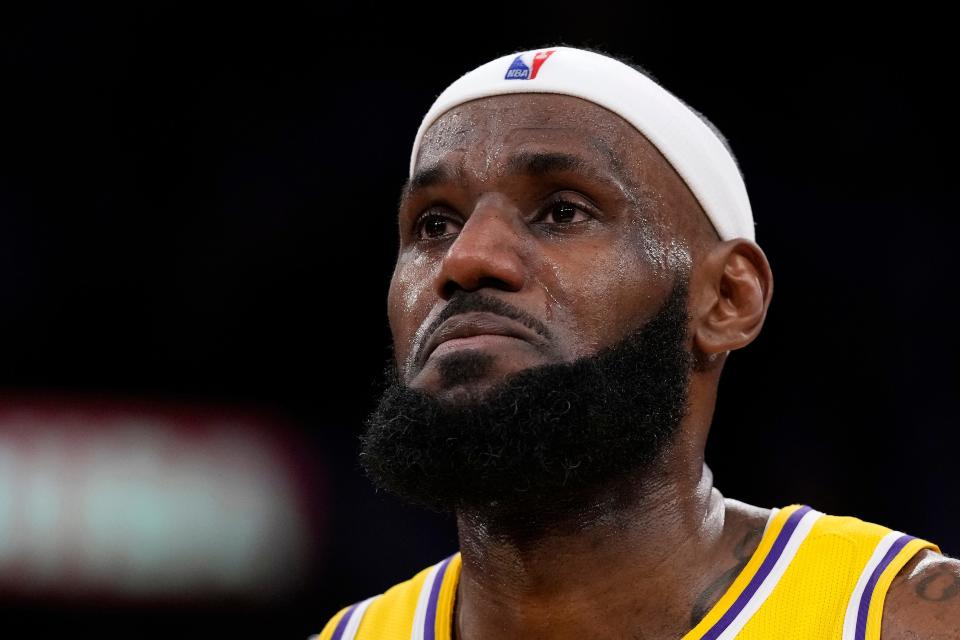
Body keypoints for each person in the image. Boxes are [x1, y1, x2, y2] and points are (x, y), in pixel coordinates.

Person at [315, 46, 958, 640]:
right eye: (434, 223)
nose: (468, 257)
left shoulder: (908, 619)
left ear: (726, 299)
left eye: (563, 211)